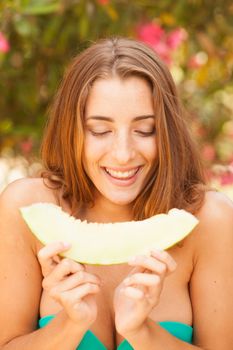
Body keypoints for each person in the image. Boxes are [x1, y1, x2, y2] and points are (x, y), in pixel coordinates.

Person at [0, 37, 232, 350]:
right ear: (73, 131)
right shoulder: (24, 209)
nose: (123, 154)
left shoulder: (211, 221)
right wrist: (70, 326)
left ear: (167, 131)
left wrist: (142, 333)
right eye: (100, 130)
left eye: (145, 129)